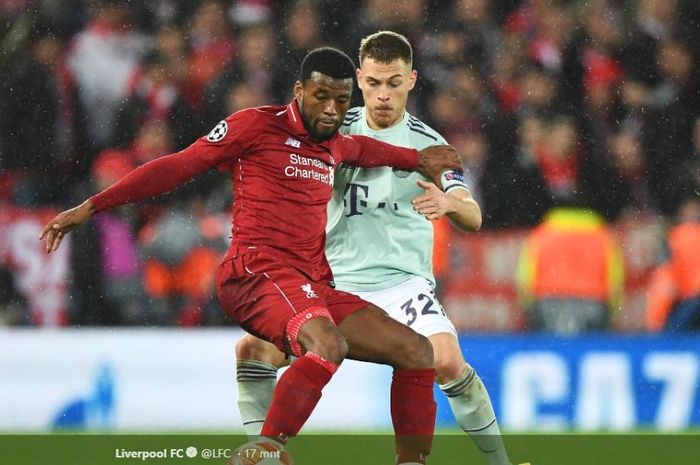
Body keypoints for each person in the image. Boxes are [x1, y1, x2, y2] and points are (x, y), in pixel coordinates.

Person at [40, 47, 463, 465]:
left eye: (342, 99)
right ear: (299, 91)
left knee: (417, 352)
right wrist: (92, 205)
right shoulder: (255, 126)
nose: (332, 109)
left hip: (310, 284)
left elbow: (373, 152)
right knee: (327, 343)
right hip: (255, 273)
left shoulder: (335, 145)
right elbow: (178, 165)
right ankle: (266, 449)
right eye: (322, 96)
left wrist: (419, 159)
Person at [235, 32, 514, 465]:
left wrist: (449, 203)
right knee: (252, 350)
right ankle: (262, 456)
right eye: (375, 83)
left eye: (395, 83)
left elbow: (473, 215)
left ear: (413, 80)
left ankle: (501, 462)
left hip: (400, 284)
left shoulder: (430, 145)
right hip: (329, 281)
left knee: (448, 361)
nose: (383, 95)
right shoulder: (329, 130)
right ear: (360, 79)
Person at [516, 194, 625, 332]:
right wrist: (611, 311)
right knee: (590, 348)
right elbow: (615, 280)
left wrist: (529, 309)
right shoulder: (603, 237)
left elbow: (525, 278)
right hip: (593, 303)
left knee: (549, 347)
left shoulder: (541, 236)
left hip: (548, 303)